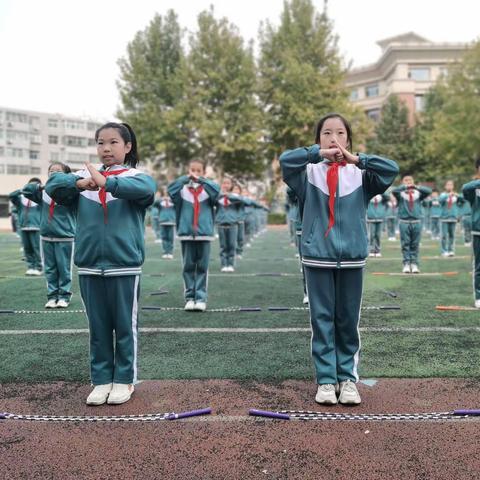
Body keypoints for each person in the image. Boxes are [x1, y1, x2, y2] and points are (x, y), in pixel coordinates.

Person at [280, 112, 398, 406]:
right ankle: (325, 379)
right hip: (317, 256)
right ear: (318, 140)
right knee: (321, 320)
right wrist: (315, 154)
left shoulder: (362, 176)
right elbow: (285, 161)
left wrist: (358, 159)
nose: (334, 139)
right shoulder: (307, 174)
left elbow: (391, 169)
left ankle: (347, 379)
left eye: (341, 133)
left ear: (349, 139)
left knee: (347, 320)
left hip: (352, 258)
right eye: (327, 133)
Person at [46, 122, 156, 406]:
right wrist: (81, 183)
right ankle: (101, 380)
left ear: (128, 146)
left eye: (113, 142)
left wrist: (108, 182)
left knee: (124, 326)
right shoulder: (82, 178)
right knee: (98, 328)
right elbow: (54, 186)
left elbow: (146, 189)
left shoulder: (135, 177)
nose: (106, 148)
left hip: (124, 265)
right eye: (100, 143)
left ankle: (124, 380)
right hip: (89, 265)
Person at [168, 160, 220, 311]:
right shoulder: (182, 190)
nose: (195, 173)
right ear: (188, 170)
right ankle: (190, 297)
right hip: (186, 234)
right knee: (188, 266)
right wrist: (185, 178)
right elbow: (171, 190)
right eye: (192, 170)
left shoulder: (207, 190)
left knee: (202, 267)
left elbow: (217, 192)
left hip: (204, 234)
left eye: (198, 170)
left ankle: (201, 298)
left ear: (203, 172)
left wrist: (202, 180)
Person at [23, 162, 77, 308]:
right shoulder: (43, 193)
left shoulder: (71, 193)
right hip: (46, 237)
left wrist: (67, 183)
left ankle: (64, 296)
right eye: (51, 171)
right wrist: (42, 186)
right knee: (50, 269)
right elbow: (26, 190)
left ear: (65, 175)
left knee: (64, 269)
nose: (53, 173)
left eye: (57, 171)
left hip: (65, 237)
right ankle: (52, 296)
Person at [392, 175, 432, 273]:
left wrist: (416, 186)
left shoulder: (418, 193)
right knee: (405, 244)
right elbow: (394, 191)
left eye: (410, 180)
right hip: (404, 221)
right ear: (402, 182)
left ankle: (414, 264)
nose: (408, 182)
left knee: (415, 244)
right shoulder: (400, 193)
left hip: (416, 221)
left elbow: (428, 191)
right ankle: (406, 263)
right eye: (406, 180)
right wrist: (405, 187)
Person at [9, 178, 43, 275]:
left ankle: (38, 267)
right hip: (24, 227)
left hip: (36, 227)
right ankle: (30, 267)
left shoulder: (40, 198)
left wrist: (39, 190)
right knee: (27, 249)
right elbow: (11, 195)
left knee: (37, 249)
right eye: (31, 185)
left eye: (35, 186)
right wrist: (22, 190)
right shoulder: (20, 199)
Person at [462, 159, 480, 308]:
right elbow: (464, 189)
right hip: (478, 230)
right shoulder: (474, 188)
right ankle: (479, 296)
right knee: (479, 265)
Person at [216, 177, 242, 272]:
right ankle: (224, 264)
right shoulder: (218, 196)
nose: (226, 185)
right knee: (223, 246)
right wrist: (222, 195)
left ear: (231, 185)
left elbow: (240, 200)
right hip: (221, 224)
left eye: (228, 183)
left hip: (232, 224)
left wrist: (228, 195)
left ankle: (230, 264)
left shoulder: (235, 196)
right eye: (224, 183)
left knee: (231, 245)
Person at [439, 180, 464, 257]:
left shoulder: (456, 195)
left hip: (453, 217)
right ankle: (444, 251)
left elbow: (463, 200)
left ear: (453, 186)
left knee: (452, 235)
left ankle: (451, 250)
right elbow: (441, 200)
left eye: (451, 185)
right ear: (445, 186)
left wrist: (457, 195)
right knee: (444, 235)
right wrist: (448, 195)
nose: (449, 186)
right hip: (444, 217)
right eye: (448, 185)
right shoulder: (443, 194)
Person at [157, 189, 176, 258]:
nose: (166, 192)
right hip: (163, 221)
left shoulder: (173, 200)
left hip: (171, 221)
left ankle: (170, 252)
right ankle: (165, 252)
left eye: (167, 191)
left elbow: (177, 202)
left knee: (170, 238)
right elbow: (155, 203)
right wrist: (161, 198)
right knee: (164, 237)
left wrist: (170, 199)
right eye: (164, 190)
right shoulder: (160, 201)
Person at [232, 183, 248, 259]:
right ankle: (233, 252)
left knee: (240, 238)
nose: (236, 191)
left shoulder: (242, 198)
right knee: (233, 238)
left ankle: (239, 252)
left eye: (237, 189)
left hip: (240, 220)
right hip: (232, 221)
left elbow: (248, 202)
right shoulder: (229, 198)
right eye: (234, 189)